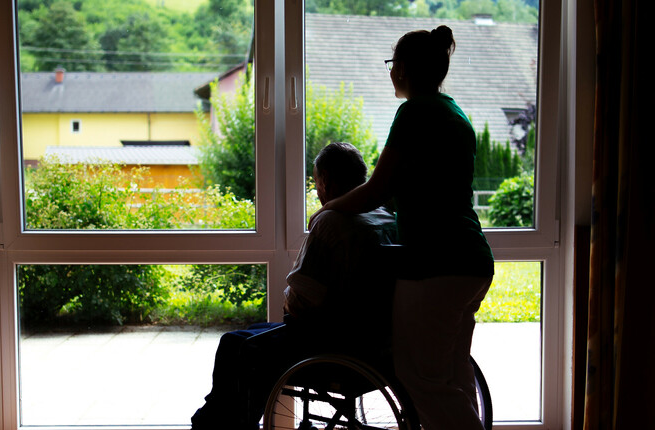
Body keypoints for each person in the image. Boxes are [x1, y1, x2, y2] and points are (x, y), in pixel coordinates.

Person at [310, 26, 495, 430]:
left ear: (403, 70)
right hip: (472, 260)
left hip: (436, 264)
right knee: (452, 375)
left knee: (420, 379)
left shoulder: (415, 112)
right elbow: (411, 191)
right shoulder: (453, 113)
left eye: (392, 64)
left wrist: (324, 213)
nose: (390, 72)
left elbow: (376, 190)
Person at [190, 142, 398, 430]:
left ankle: (216, 425)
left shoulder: (332, 221)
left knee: (236, 344)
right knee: (250, 336)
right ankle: (223, 421)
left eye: (316, 182)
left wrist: (289, 301)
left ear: (325, 179)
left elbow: (302, 301)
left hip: (330, 346)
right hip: (377, 345)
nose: (316, 190)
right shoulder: (387, 219)